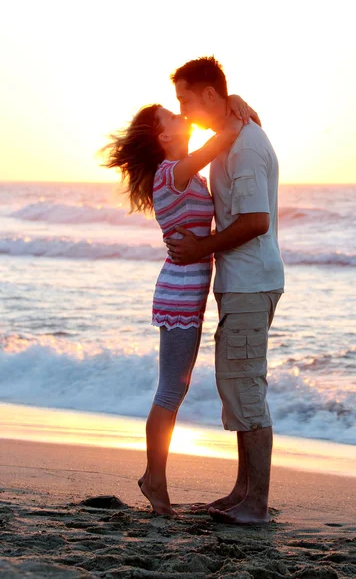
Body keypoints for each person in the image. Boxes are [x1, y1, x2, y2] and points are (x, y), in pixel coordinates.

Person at [102, 94, 258, 515]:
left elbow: (219, 140)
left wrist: (235, 105)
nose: (181, 116)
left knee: (177, 387)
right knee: (171, 389)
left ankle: (154, 477)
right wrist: (235, 110)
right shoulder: (171, 172)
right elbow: (219, 142)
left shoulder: (180, 172)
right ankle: (154, 480)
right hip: (179, 293)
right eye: (172, 115)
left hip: (187, 290)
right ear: (163, 135)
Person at [166, 56, 285, 524]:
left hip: (251, 283)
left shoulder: (245, 147)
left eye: (185, 98)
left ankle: (256, 503)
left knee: (246, 389)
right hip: (241, 282)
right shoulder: (230, 137)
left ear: (209, 95)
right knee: (236, 386)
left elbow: (257, 221)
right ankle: (242, 491)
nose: (182, 106)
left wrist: (202, 247)